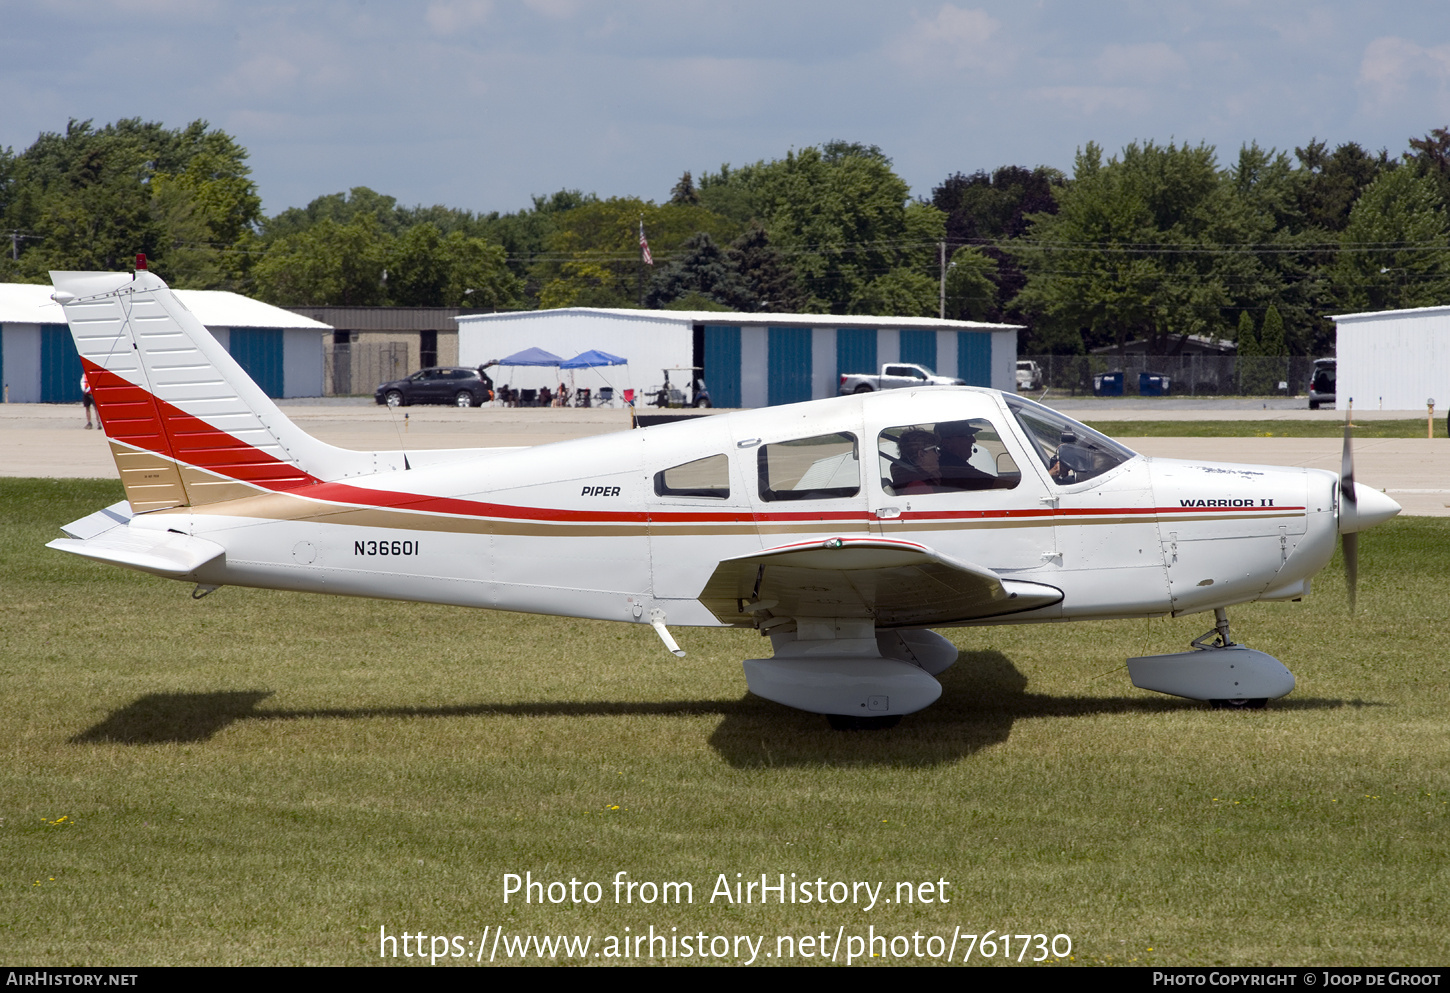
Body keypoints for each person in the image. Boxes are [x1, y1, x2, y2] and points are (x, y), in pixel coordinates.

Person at [936, 420, 996, 491]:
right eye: (967, 436)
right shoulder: (951, 464)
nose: (973, 440)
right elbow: (987, 481)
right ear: (946, 442)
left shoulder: (942, 460)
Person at [891, 428, 941, 493]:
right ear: (921, 454)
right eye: (935, 450)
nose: (938, 454)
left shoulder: (905, 475)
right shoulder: (919, 486)